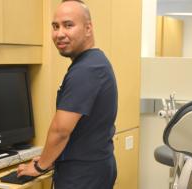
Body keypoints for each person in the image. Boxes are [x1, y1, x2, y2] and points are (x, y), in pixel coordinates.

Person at [16, 0, 118, 188]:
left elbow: (61, 130)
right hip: (94, 166)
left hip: (82, 175)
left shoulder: (86, 70)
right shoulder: (95, 62)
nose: (59, 34)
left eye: (68, 25)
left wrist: (39, 167)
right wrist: (50, 156)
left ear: (88, 28)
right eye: (55, 26)